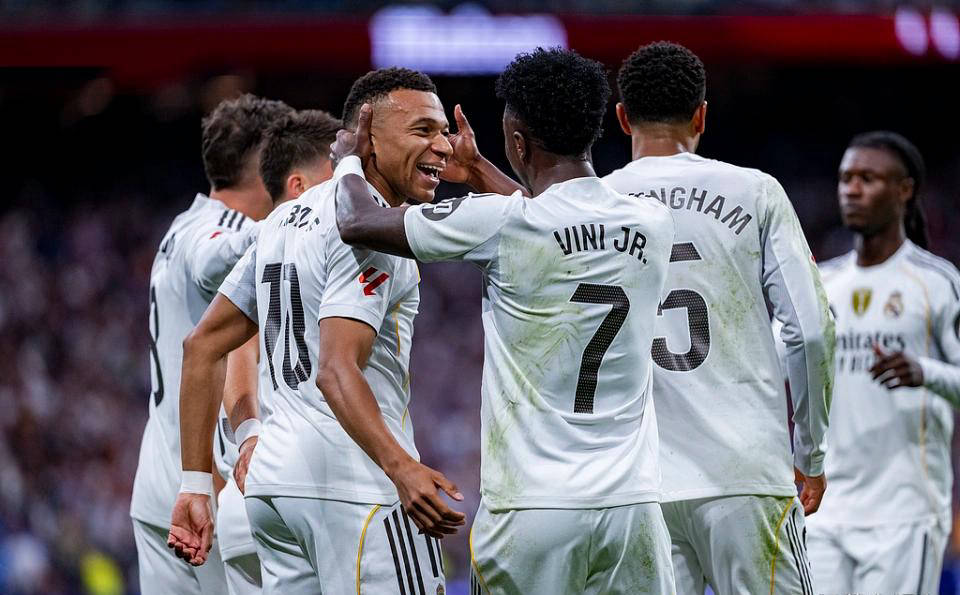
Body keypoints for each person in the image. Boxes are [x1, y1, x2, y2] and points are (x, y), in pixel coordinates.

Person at [333, 47, 677, 594]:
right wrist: (479, 170)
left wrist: (349, 160)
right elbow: (556, 222)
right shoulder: (653, 222)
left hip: (530, 510)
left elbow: (357, 221)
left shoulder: (501, 223)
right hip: (632, 506)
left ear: (518, 142)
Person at [166, 67, 515, 594]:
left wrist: (195, 484)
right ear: (369, 136)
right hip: (356, 488)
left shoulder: (281, 221)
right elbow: (335, 370)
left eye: (443, 131)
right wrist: (402, 468)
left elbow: (203, 344)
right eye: (423, 130)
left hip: (275, 492)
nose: (443, 147)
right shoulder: (376, 229)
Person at [603, 41, 835, 594]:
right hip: (744, 473)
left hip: (637, 485)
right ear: (702, 115)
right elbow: (809, 331)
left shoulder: (591, 204)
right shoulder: (755, 191)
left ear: (623, 117)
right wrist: (811, 452)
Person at [130, 93, 293, 595]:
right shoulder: (225, 229)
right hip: (209, 495)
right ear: (265, 164)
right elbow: (212, 260)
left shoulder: (181, 226)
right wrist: (293, 222)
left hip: (161, 487)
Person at [805, 131, 960, 594]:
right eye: (845, 178)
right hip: (827, 509)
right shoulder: (821, 284)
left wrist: (924, 372)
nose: (851, 189)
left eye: (867, 179)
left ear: (904, 189)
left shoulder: (937, 283)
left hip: (905, 512)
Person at [213, 108, 341, 595]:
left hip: (248, 494)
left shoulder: (262, 254)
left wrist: (247, 439)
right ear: (298, 185)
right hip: (311, 487)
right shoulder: (317, 249)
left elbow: (231, 356)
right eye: (337, 173)